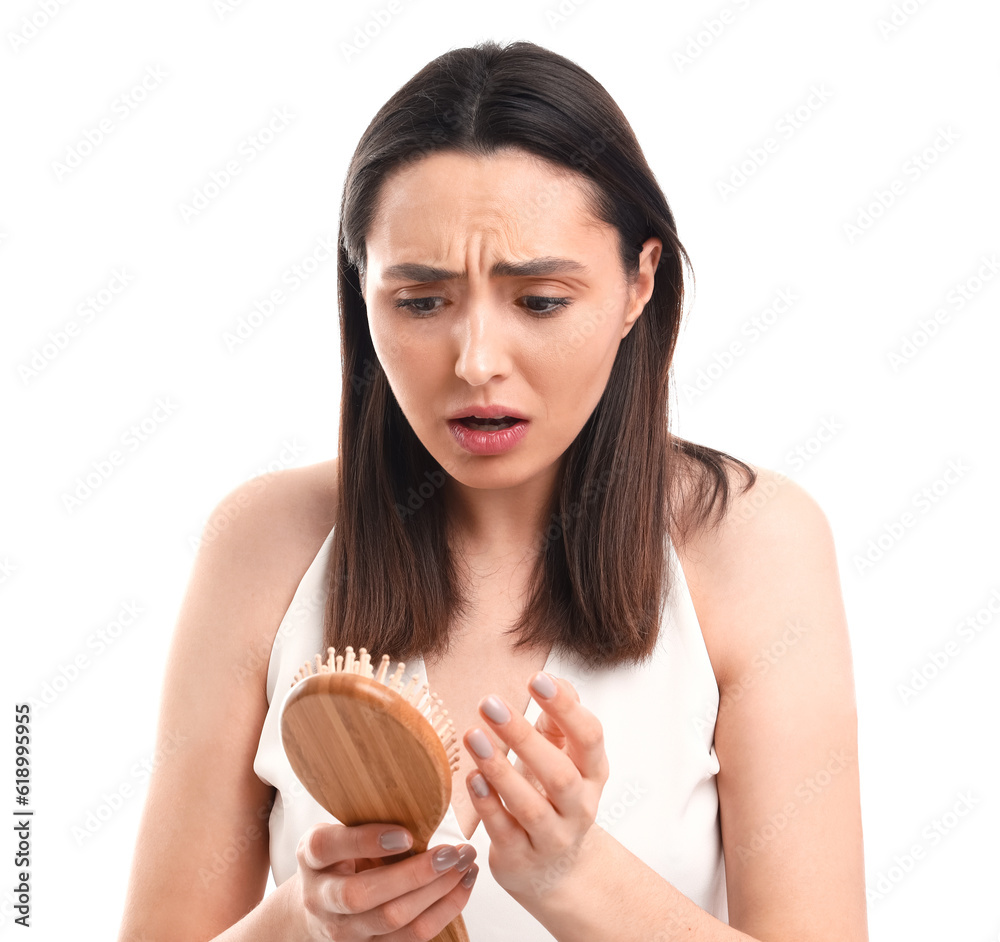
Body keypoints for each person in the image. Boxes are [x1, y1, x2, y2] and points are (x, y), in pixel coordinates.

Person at [116, 39, 868, 942]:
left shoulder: (752, 544)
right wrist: (302, 922)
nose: (476, 363)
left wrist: (578, 880)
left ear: (639, 283)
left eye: (540, 300)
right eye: (421, 301)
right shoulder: (263, 545)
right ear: (363, 292)